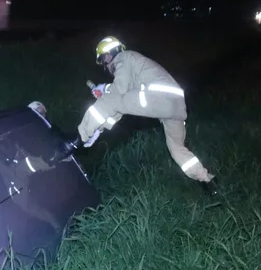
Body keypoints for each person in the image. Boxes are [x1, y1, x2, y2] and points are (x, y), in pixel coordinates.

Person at [76, 36, 217, 195]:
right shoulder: (134, 62)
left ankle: (77, 138)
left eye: (103, 62)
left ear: (107, 55)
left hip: (159, 97)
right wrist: (105, 89)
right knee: (177, 149)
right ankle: (207, 180)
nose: (106, 67)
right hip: (176, 105)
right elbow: (126, 95)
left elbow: (118, 93)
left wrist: (95, 124)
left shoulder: (123, 57)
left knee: (112, 100)